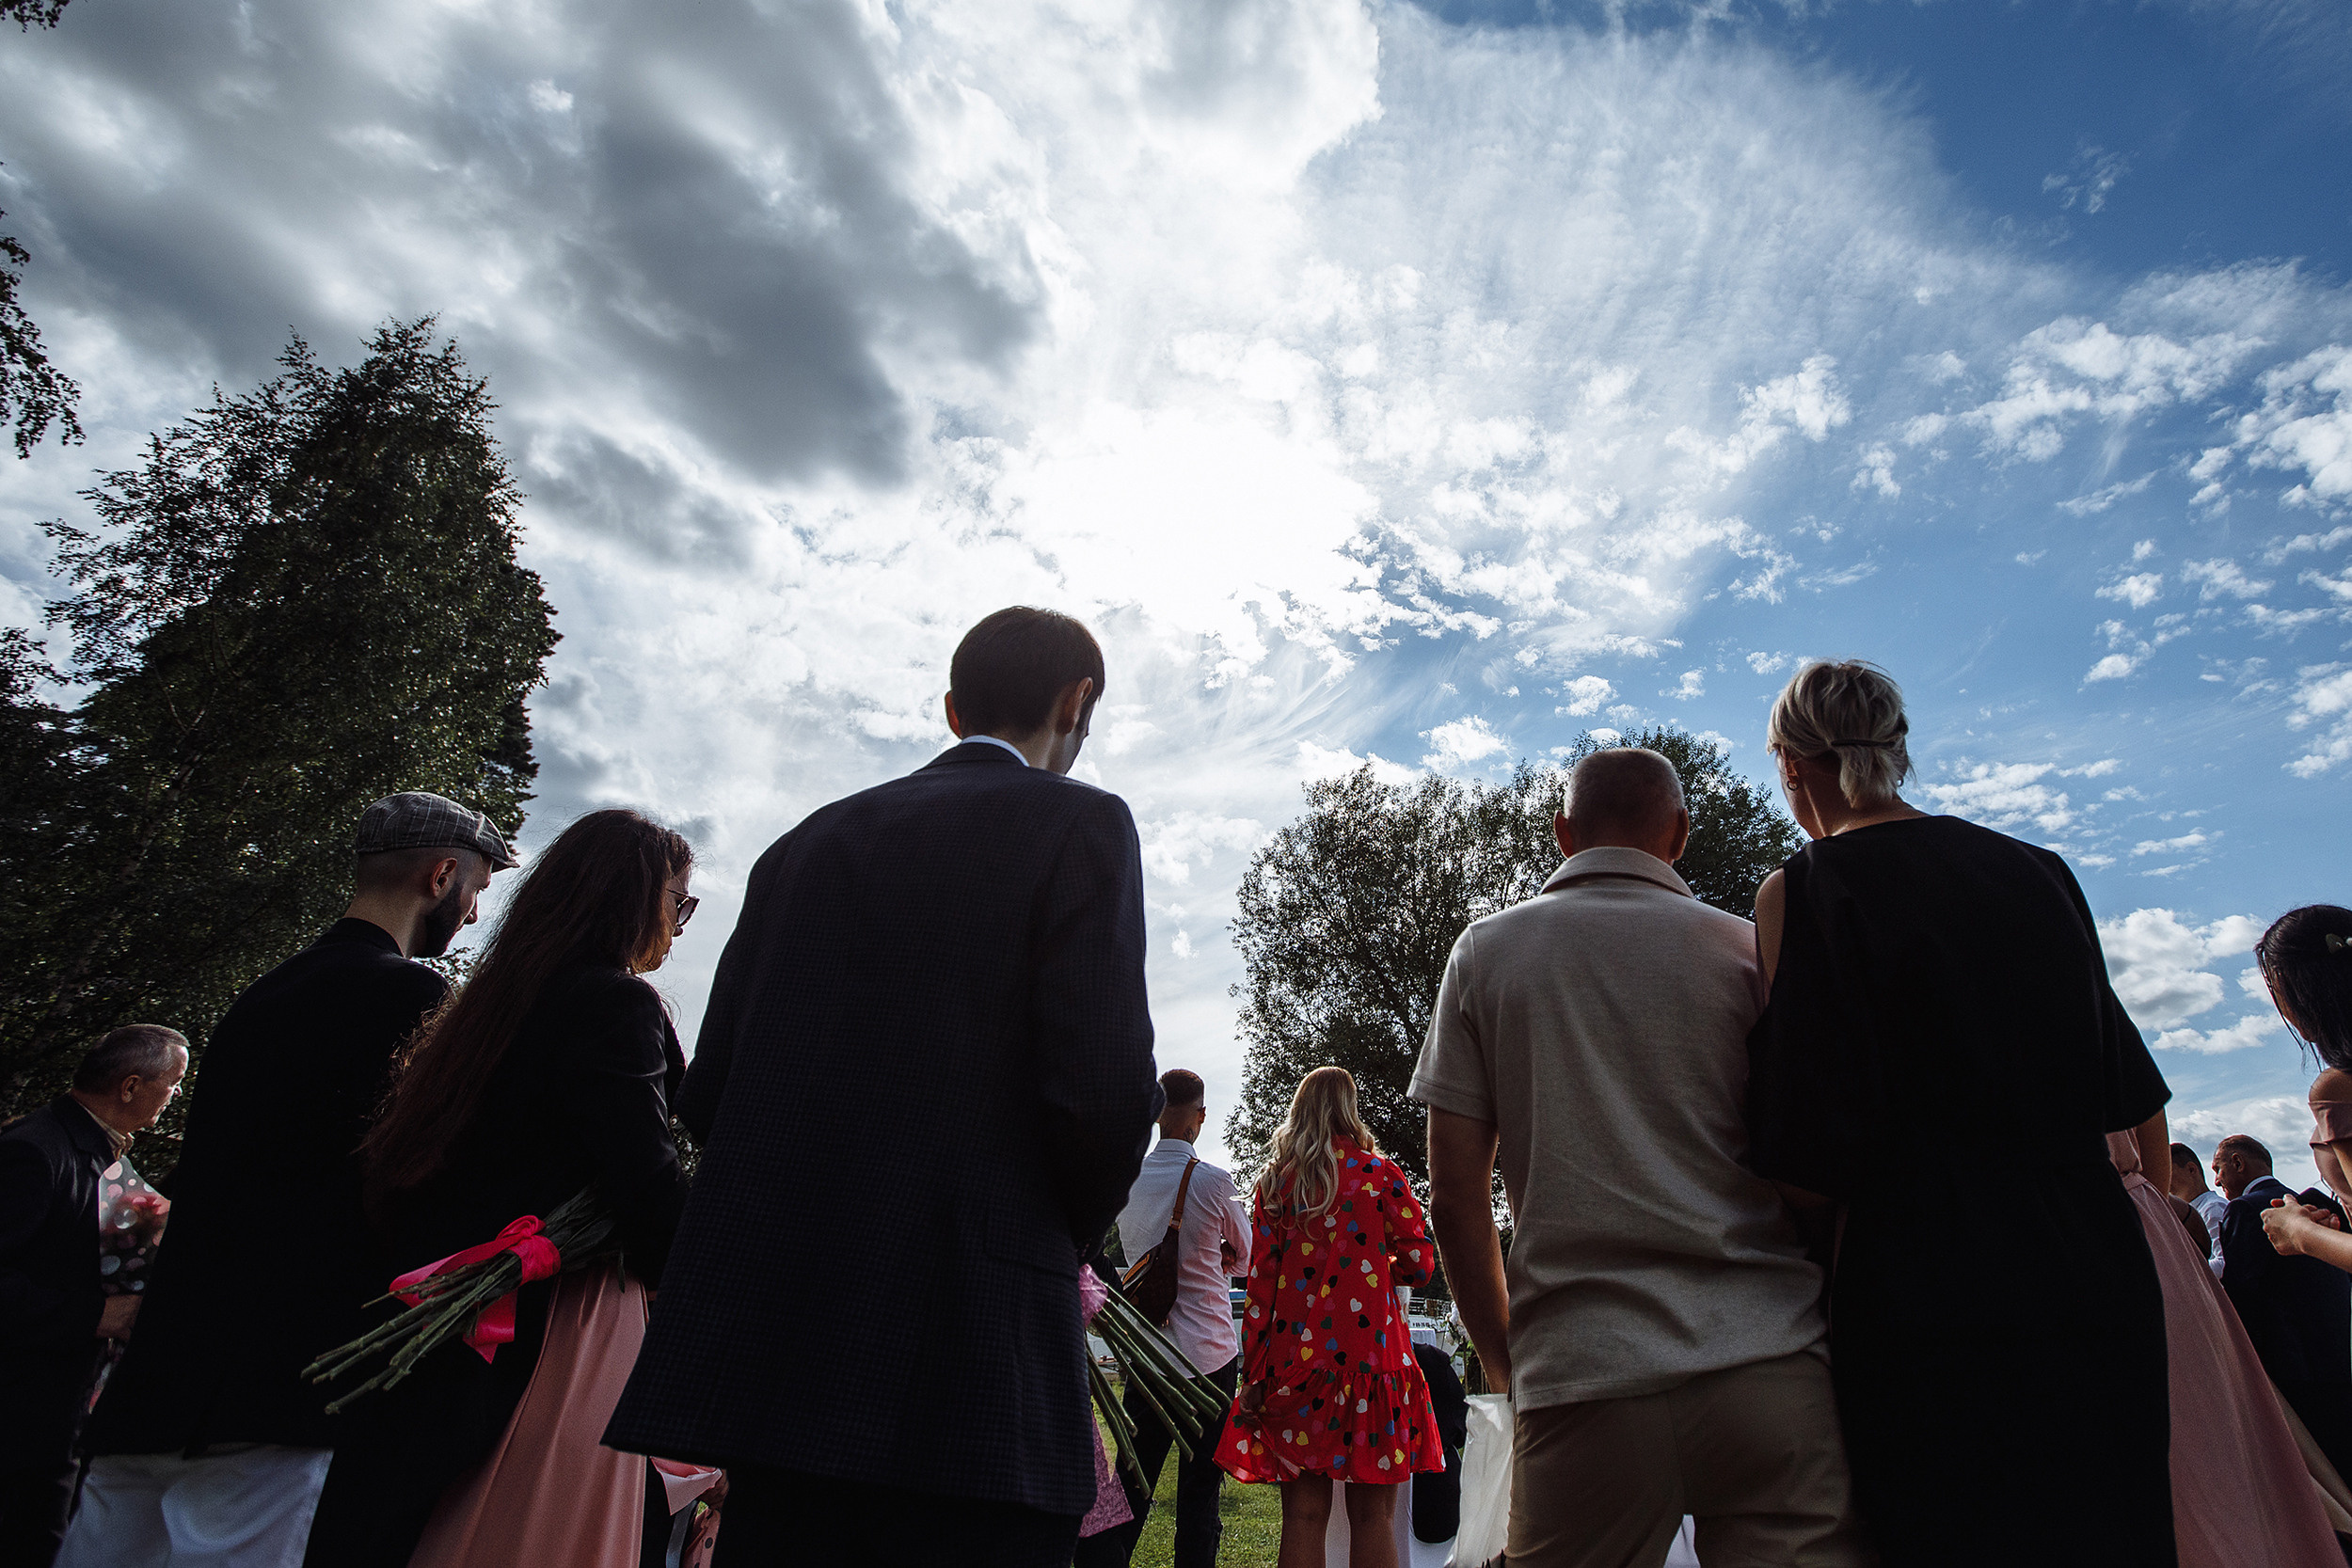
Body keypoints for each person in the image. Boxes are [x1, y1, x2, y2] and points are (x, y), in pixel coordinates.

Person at [606, 607, 1161, 1568]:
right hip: (971, 1342)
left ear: (951, 709)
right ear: (1079, 702)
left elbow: (713, 1088)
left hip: (781, 1350)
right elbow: (1106, 1091)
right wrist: (1050, 1239)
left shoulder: (804, 844)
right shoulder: (1082, 823)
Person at [1742, 659, 2174, 1567]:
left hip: (1925, 1286)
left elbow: (1802, 1150)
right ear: (1899, 750)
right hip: (2094, 1270)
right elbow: (2136, 1105)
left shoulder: (1806, 890)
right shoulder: (2041, 872)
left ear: (1788, 763)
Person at [1413, 746, 1868, 1568]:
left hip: (1586, 1373)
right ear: (1682, 833)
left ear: (1562, 835)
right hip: (1770, 1362)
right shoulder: (1748, 954)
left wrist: (1503, 1353)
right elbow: (1812, 1161)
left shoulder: (1486, 953)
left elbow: (1453, 1192)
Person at [64, 793, 509, 1568]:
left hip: (164, 1371)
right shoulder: (413, 998)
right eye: (476, 891)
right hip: (283, 1379)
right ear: (442, 876)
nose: (472, 914)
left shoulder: (259, 996)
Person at [299, 808, 700, 1568]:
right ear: (632, 897)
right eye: (678, 903)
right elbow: (646, 1188)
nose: (679, 928)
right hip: (555, 1323)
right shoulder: (617, 1003)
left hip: (450, 1320)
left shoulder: (484, 1010)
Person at [1216, 1066, 1444, 1568]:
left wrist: (1253, 1371)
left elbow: (1260, 1284)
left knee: (1302, 1517)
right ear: (1349, 1108)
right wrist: (1378, 1263)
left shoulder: (1278, 1182)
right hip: (1372, 1366)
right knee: (1373, 1518)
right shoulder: (1380, 1175)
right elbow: (1421, 1264)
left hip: (1295, 1367)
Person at [2106, 1121, 2342, 1566]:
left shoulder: (2237, 1210)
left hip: (2289, 1360)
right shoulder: (2299, 1201)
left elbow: (2239, 1285)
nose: (2217, 1181)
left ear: (2236, 1164)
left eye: (2218, 1169)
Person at [0, 1026, 186, 1566]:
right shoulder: (34, 1152)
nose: (176, 1094)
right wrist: (99, 1314)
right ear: (130, 1086)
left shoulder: (99, 1151)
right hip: (19, 1422)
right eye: (173, 1082)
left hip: (56, 1416)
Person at [1075, 1069, 1248, 1568]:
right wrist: (1216, 1259)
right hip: (1211, 1355)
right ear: (1199, 1118)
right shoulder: (1216, 1182)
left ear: (1156, 1115)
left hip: (1151, 1353)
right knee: (1199, 1497)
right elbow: (1249, 1258)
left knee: (1134, 1485)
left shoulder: (1130, 1182)